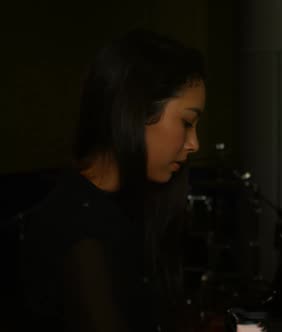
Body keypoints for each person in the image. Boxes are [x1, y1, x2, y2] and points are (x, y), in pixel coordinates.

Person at [19, 28, 206, 332]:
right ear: (136, 111)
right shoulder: (80, 229)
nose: (194, 143)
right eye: (186, 122)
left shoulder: (123, 205)